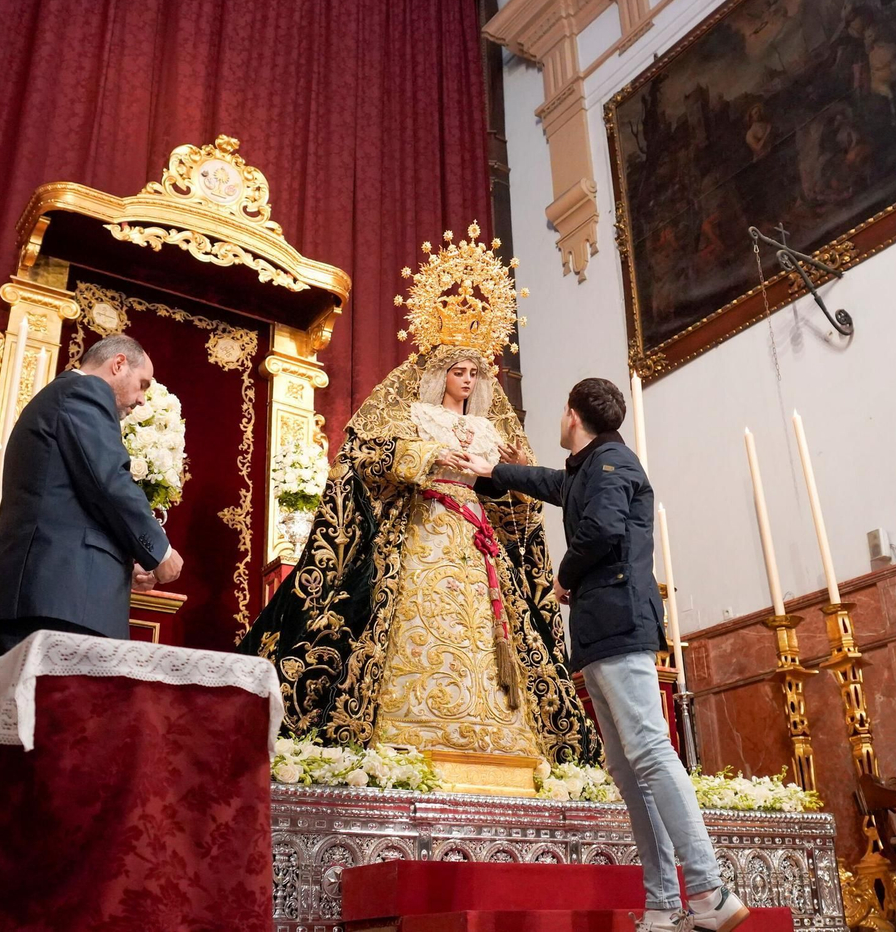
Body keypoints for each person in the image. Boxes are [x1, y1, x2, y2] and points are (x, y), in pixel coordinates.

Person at [447, 378, 748, 932]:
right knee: (628, 769)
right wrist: (494, 471)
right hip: (602, 628)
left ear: (572, 416)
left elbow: (603, 528)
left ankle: (709, 889)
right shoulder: (592, 467)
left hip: (619, 621)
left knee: (651, 753)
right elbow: (555, 484)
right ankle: (664, 903)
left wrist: (563, 576)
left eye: (563, 412)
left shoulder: (614, 464)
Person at [239, 344, 597, 771]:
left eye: (474, 373)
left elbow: (515, 505)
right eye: (459, 372)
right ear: (441, 375)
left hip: (476, 535)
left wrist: (516, 469)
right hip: (425, 526)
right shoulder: (416, 416)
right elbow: (364, 456)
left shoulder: (488, 429)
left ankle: (500, 739)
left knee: (491, 628)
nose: (467, 380)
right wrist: (427, 454)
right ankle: (405, 731)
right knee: (417, 615)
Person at [0, 334, 183, 658]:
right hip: (55, 602)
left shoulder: (61, 396)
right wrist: (160, 552)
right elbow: (108, 482)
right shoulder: (84, 391)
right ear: (119, 364)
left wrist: (123, 566)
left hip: (43, 597)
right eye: (142, 384)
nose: (141, 400)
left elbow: (68, 502)